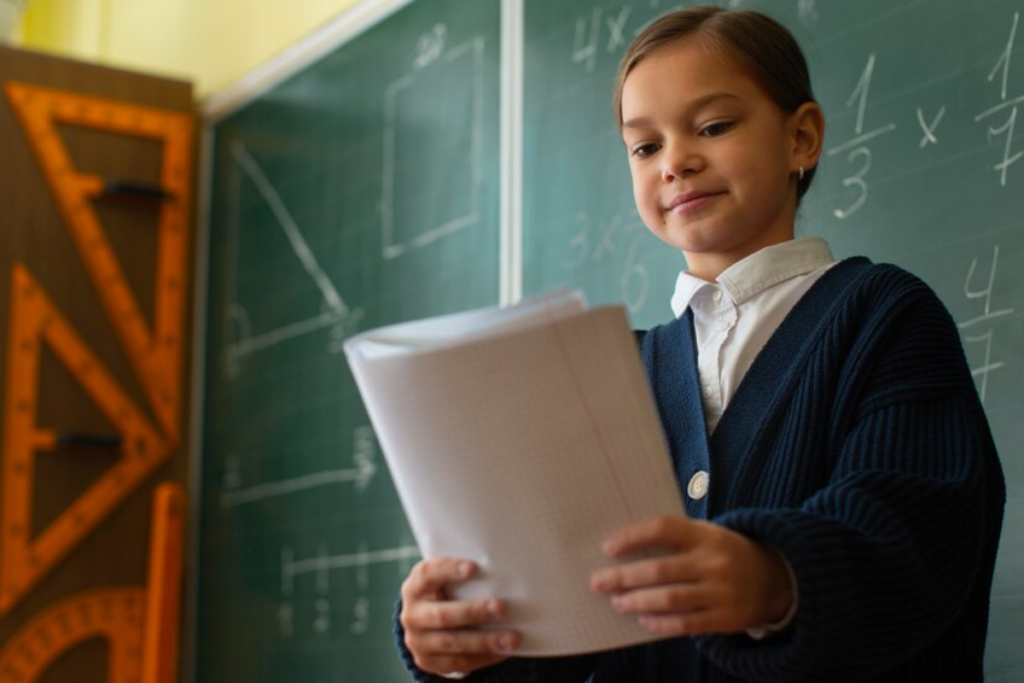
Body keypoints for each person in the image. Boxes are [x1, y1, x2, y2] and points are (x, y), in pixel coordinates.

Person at [394, 5, 1006, 681]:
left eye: (713, 127)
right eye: (645, 147)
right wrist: (463, 643)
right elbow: (569, 623)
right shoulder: (610, 371)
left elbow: (916, 537)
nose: (676, 162)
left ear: (802, 137)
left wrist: (774, 576)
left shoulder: (883, 317)